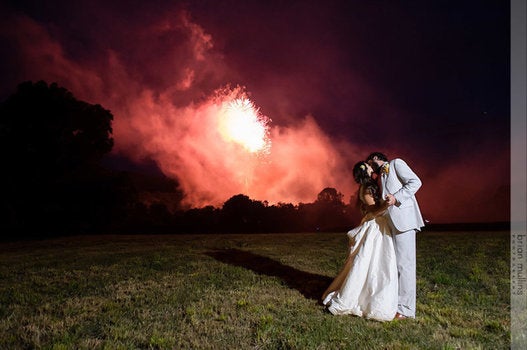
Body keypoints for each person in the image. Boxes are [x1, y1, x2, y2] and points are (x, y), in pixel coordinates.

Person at [322, 161, 398, 322]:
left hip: (381, 226)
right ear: (365, 171)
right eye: (368, 165)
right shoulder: (366, 189)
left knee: (380, 262)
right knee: (366, 261)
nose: (371, 166)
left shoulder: (372, 186)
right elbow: (374, 211)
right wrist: (388, 204)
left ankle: (373, 296)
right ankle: (354, 299)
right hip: (375, 227)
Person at [366, 152, 424, 320]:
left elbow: (416, 182)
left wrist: (396, 197)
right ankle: (395, 303)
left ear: (377, 158)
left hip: (404, 221)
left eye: (371, 161)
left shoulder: (396, 163)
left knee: (405, 266)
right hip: (390, 224)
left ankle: (406, 310)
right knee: (395, 265)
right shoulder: (380, 177)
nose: (371, 165)